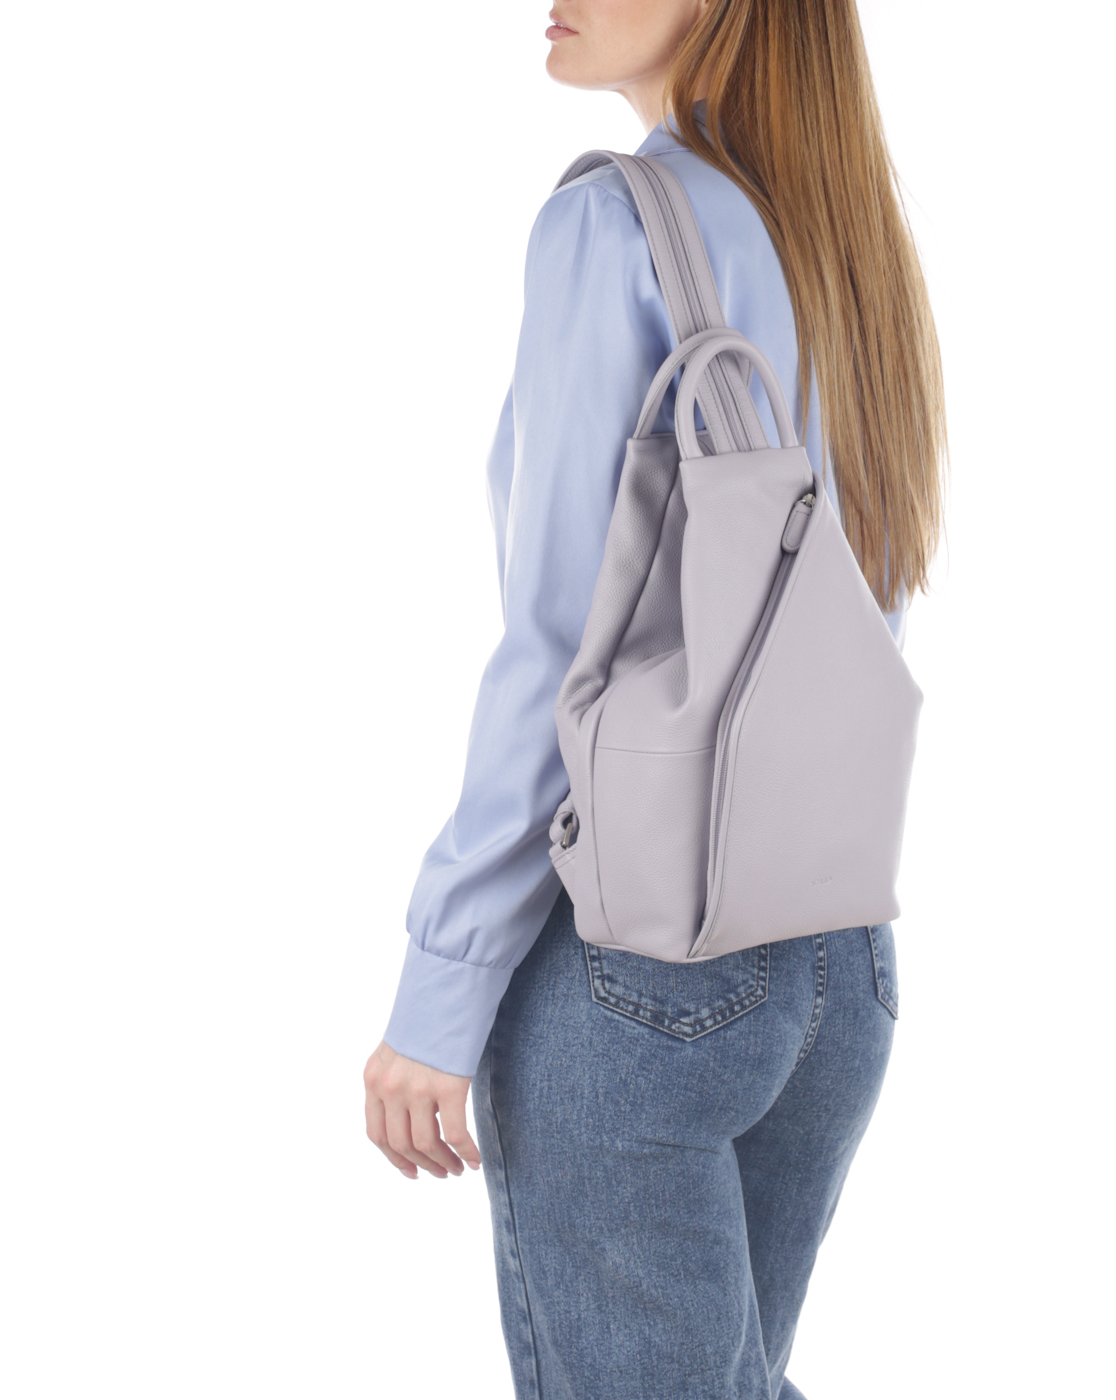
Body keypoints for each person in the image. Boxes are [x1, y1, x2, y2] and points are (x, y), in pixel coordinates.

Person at [362, 2, 945, 1395]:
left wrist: (443, 981)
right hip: (840, 961)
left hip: (644, 965)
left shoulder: (610, 227)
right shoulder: (849, 242)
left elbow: (558, 645)